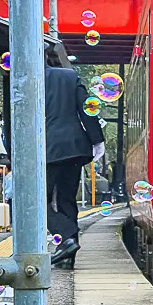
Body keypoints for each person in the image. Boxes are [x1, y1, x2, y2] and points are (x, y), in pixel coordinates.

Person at [45, 62, 104, 267]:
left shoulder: (20, 78)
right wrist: (97, 140)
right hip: (74, 148)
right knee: (67, 200)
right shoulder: (69, 77)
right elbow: (87, 109)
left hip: (44, 150)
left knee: (35, 202)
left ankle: (66, 236)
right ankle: (68, 256)